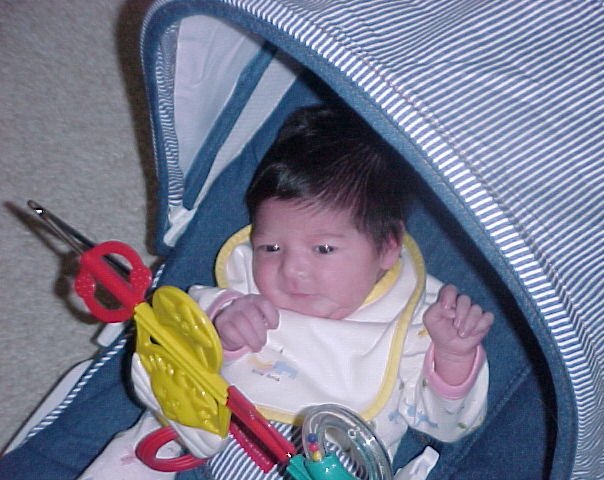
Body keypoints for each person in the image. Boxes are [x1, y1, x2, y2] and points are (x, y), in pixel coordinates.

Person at [79, 105, 493, 479]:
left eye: (323, 249)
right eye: (271, 248)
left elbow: (443, 426)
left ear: (387, 246)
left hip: (327, 465)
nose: (292, 268)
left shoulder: (419, 319)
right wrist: (223, 324)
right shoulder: (248, 281)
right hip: (198, 438)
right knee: (134, 453)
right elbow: (178, 327)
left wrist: (453, 358)